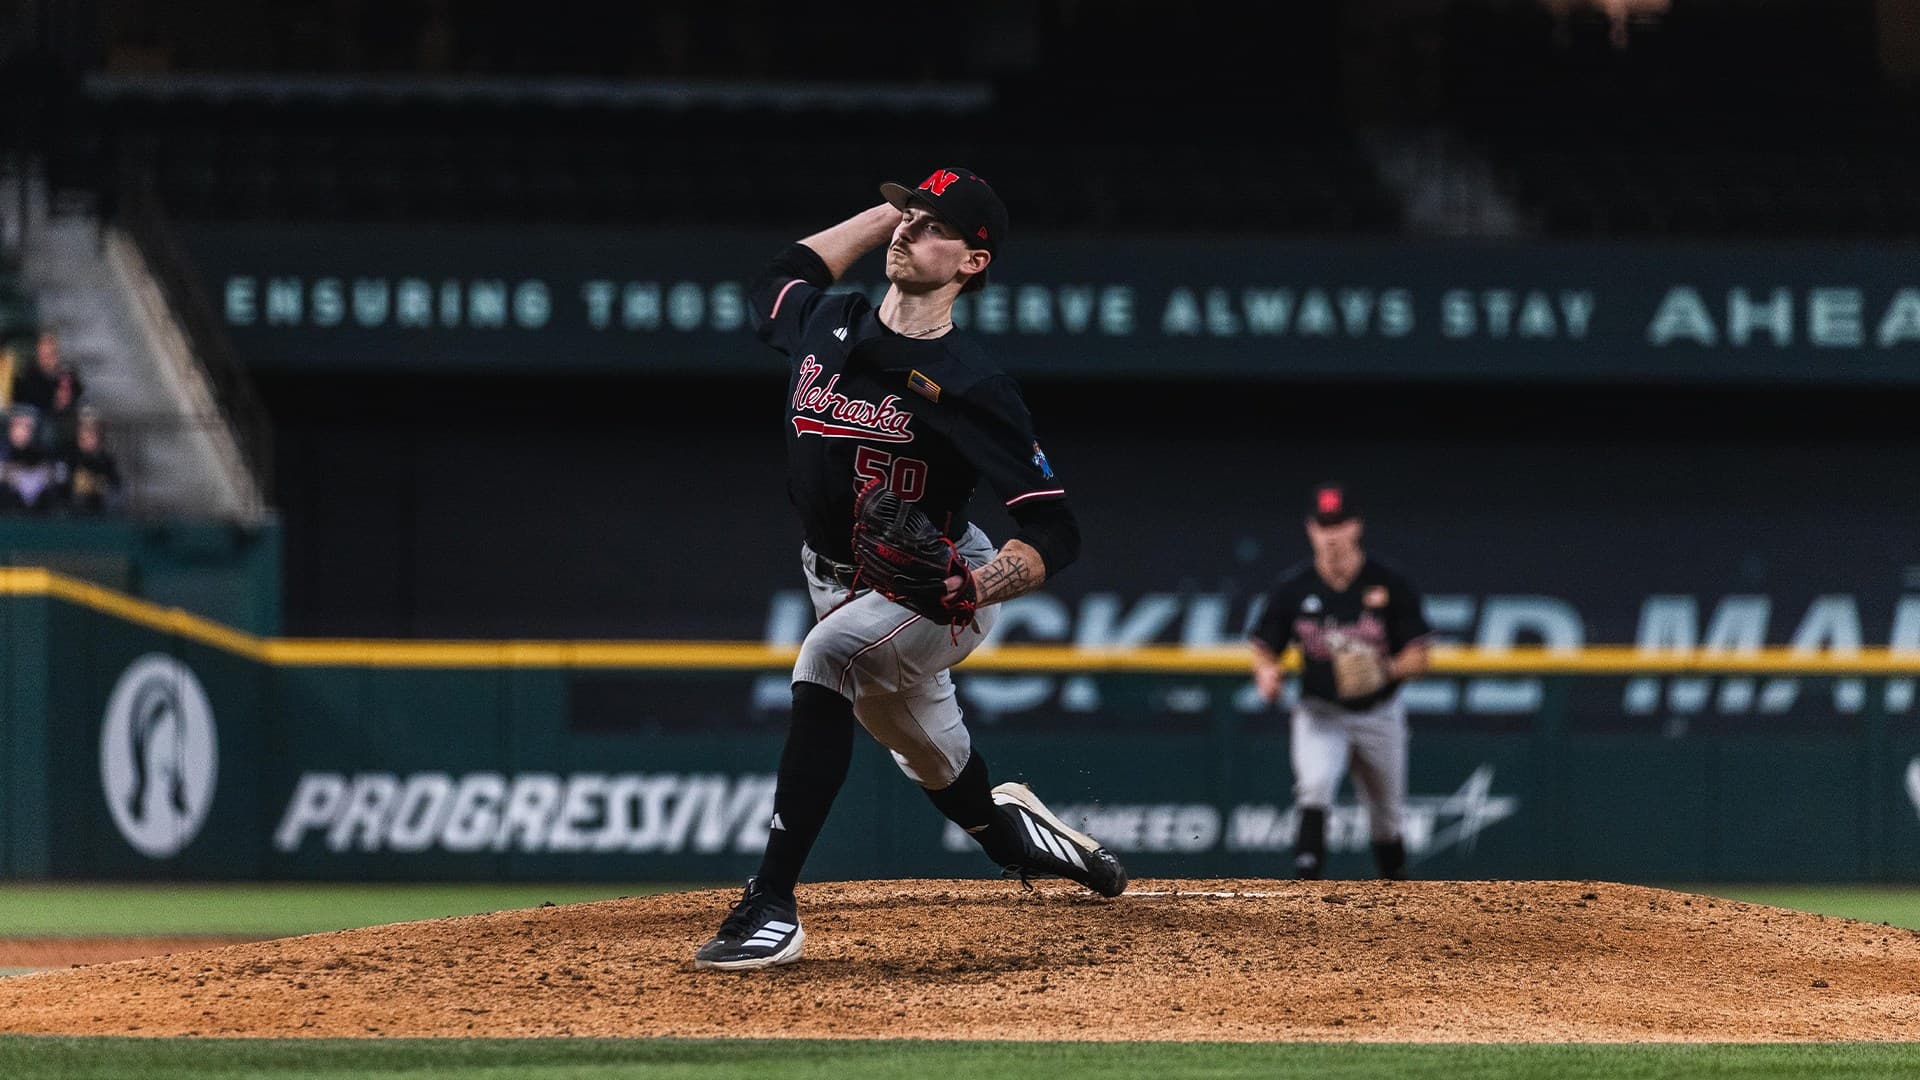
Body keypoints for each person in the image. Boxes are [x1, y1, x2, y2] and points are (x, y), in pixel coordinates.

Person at [693, 168, 1127, 972]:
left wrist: (980, 586)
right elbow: (778, 279)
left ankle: (771, 904)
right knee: (937, 767)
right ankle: (1023, 836)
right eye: (911, 216)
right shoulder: (828, 321)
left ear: (973, 261)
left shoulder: (971, 383)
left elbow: (1053, 528)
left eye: (935, 227)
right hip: (836, 581)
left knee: (826, 657)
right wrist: (890, 211)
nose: (909, 231)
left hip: (937, 590)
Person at [1247, 482, 1432, 881]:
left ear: (1356, 526)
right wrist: (1266, 673)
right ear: (1311, 529)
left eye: (1339, 524)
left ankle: (1398, 897)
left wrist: (1384, 671)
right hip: (1320, 712)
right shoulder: (1293, 587)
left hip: (1379, 712)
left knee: (1387, 817)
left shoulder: (1389, 582)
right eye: (1323, 525)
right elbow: (1264, 648)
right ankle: (1306, 890)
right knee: (1314, 787)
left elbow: (1420, 655)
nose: (1331, 536)